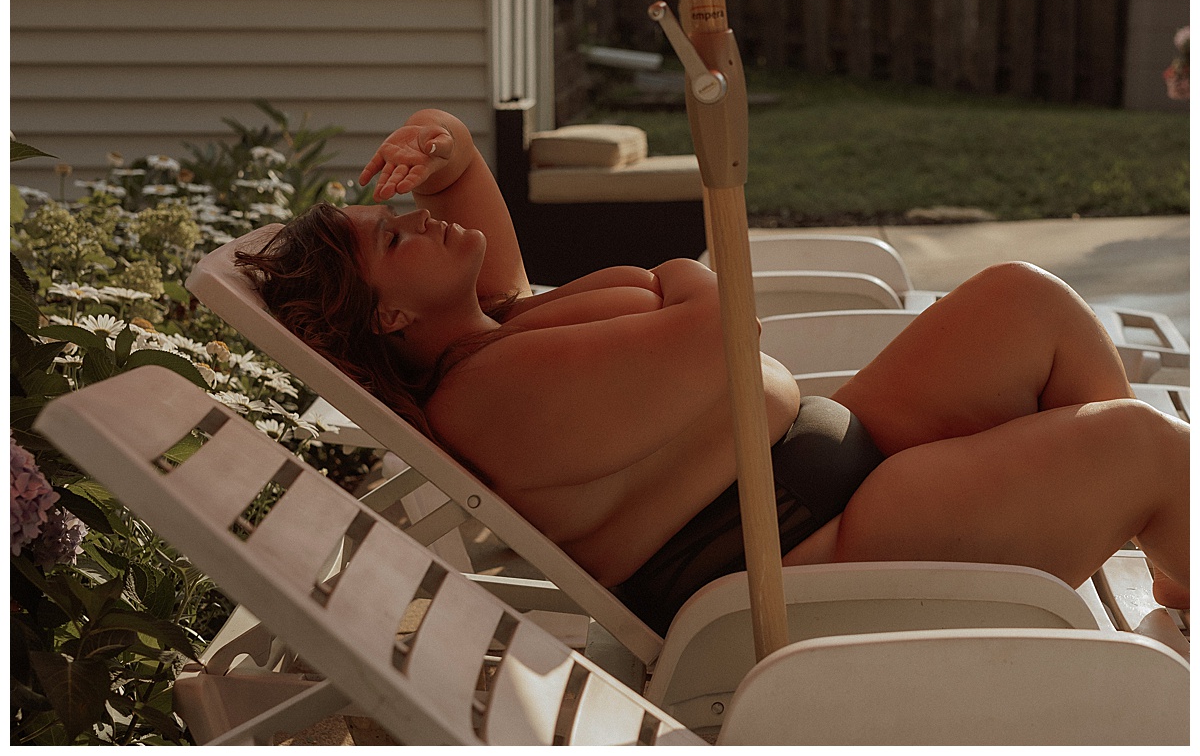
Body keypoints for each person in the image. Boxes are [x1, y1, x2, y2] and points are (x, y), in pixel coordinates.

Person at [236, 109, 1188, 638]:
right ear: (393, 315)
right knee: (1149, 446)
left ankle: (1166, 573)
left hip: (829, 471)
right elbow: (722, 330)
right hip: (819, 562)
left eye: (401, 208)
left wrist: (437, 142)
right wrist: (675, 275)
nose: (421, 216)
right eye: (396, 237)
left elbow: (461, 176)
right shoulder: (488, 393)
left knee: (1028, 302)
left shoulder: (487, 325)